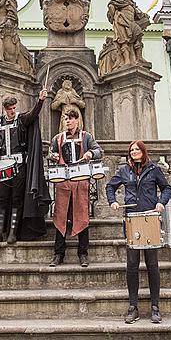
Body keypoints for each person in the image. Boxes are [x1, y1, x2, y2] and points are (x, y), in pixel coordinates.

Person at [106, 140, 171, 324]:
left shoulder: (153, 169)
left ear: (143, 152)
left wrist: (161, 202)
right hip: (131, 219)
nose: (134, 151)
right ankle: (132, 307)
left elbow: (166, 188)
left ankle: (155, 307)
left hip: (149, 218)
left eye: (137, 149)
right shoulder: (124, 171)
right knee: (132, 265)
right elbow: (110, 186)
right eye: (131, 150)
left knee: (152, 264)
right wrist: (113, 201)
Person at [0, 89, 50, 245]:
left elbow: (33, 115)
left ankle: (13, 233)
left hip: (19, 166)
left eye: (14, 108)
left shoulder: (21, 119)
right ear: (5, 108)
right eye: (9, 109)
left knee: (17, 198)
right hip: (2, 166)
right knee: (0, 198)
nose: (12, 111)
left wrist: (40, 101)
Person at [48, 109, 104, 268]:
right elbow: (50, 153)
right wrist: (52, 156)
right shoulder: (57, 138)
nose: (68, 122)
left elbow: (100, 151)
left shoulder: (86, 137)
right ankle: (58, 254)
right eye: (66, 119)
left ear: (77, 121)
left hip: (80, 182)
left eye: (71, 119)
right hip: (63, 183)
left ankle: (83, 253)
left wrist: (91, 154)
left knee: (81, 216)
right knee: (61, 216)